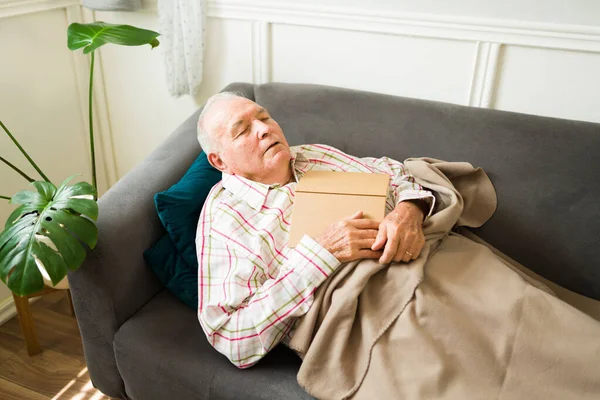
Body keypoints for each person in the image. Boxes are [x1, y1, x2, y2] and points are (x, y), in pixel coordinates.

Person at [195, 92, 434, 368]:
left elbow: (391, 171)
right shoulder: (224, 221)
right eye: (243, 130)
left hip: (424, 262)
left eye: (264, 117)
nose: (264, 129)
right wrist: (320, 254)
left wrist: (410, 210)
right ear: (220, 162)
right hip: (375, 314)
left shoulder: (310, 154)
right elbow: (232, 338)